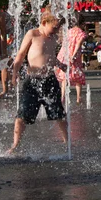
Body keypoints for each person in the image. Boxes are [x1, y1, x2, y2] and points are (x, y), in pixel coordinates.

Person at [8, 12, 68, 153]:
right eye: (54, 27)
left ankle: (67, 142)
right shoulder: (33, 34)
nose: (57, 31)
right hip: (33, 82)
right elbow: (21, 54)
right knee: (21, 115)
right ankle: (15, 145)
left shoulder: (53, 37)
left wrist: (60, 65)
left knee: (59, 114)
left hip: (50, 80)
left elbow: (50, 57)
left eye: (58, 28)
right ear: (44, 22)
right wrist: (15, 73)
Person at [56, 13, 87, 103]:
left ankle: (62, 97)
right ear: (82, 23)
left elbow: (63, 42)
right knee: (78, 75)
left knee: (65, 76)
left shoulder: (69, 31)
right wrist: (73, 55)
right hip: (74, 55)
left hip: (64, 54)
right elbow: (78, 44)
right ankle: (78, 97)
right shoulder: (81, 33)